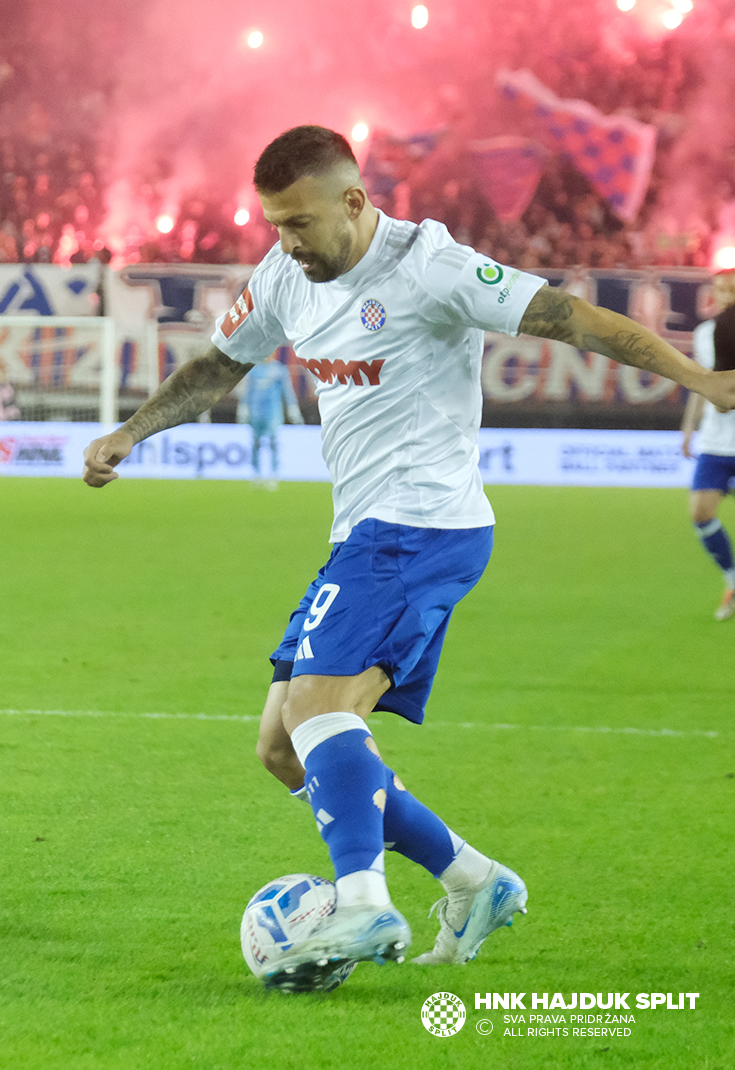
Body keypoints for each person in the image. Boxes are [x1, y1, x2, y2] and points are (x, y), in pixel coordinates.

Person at [82, 125, 735, 991]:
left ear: (354, 200)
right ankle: (475, 881)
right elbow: (216, 366)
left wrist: (704, 381)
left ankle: (361, 898)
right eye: (275, 224)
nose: (288, 241)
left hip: (423, 525)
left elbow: (574, 320)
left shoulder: (432, 267)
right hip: (363, 531)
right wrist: (132, 431)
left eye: (301, 223)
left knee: (318, 709)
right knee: (282, 748)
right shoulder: (285, 276)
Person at [680, 268, 735, 620]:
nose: (724, 293)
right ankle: (731, 579)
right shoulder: (706, 333)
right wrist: (688, 427)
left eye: (729, 287)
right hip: (716, 441)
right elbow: (700, 383)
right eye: (720, 288)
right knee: (700, 512)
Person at [236, 349, 303, 489]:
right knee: (255, 443)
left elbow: (287, 391)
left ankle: (273, 474)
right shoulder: (254, 369)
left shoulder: (279, 370)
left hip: (272, 412)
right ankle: (256, 474)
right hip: (256, 412)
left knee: (273, 442)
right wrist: (243, 407)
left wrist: (292, 407)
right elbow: (248, 391)